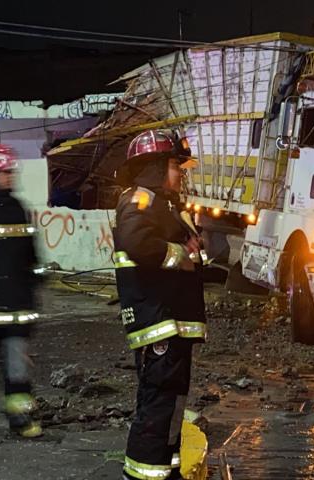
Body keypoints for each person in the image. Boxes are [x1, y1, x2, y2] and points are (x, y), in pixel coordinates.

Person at [113, 130, 206, 480]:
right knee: (158, 403)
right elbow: (136, 242)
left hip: (172, 320)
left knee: (172, 403)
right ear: (152, 167)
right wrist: (180, 254)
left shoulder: (166, 205)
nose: (180, 172)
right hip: (157, 320)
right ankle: (141, 475)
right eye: (173, 165)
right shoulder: (139, 198)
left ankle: (167, 470)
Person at [0, 144, 42, 438]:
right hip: (7, 305)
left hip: (15, 308)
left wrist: (34, 288)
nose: (10, 177)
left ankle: (21, 420)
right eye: (4, 173)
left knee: (17, 371)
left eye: (11, 172)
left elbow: (31, 259)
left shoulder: (18, 209)